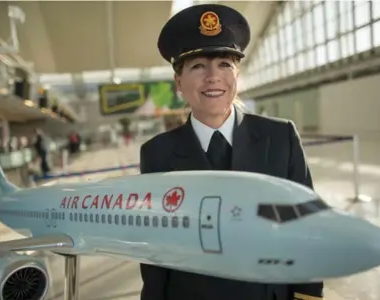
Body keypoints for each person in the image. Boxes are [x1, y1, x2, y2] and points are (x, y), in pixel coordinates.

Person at [138, 3, 324, 300]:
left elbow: (307, 227)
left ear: (237, 74)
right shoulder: (157, 154)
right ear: (178, 82)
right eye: (198, 66)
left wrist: (307, 297)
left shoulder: (280, 138)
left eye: (225, 64)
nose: (213, 77)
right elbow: (157, 251)